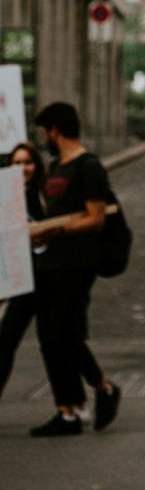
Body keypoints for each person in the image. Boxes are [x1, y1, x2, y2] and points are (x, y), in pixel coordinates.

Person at [28, 101, 121, 436]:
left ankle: (104, 387)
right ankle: (68, 412)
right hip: (50, 262)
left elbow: (95, 218)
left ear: (55, 130)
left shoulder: (88, 167)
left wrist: (58, 231)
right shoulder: (56, 167)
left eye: (44, 133)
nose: (44, 139)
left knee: (62, 333)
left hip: (76, 264)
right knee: (49, 338)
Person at [0, 142, 46, 399]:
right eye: (17, 163)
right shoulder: (3, 197)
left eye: (27, 162)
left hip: (45, 278)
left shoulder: (44, 194)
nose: (22, 168)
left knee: (57, 343)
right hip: (18, 281)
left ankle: (81, 398)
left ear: (36, 166)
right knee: (5, 344)